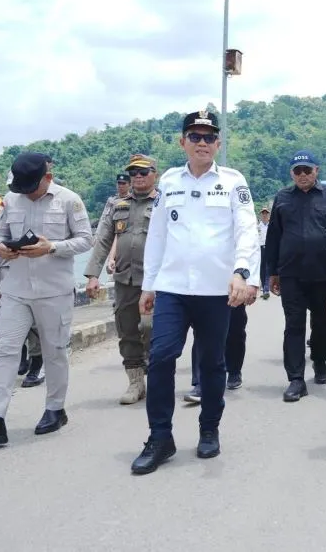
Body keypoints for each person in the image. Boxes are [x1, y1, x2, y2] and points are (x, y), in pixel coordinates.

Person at [130, 111, 260, 475]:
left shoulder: (234, 182)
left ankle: (209, 430)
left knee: (212, 362)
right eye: (195, 135)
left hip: (217, 290)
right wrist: (149, 285)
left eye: (209, 136)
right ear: (182, 142)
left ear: (218, 144)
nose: (202, 142)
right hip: (173, 287)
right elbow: (157, 236)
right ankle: (160, 437)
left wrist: (243, 273)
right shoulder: (169, 182)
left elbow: (247, 230)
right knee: (161, 357)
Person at [0, 152, 94, 446]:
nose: (25, 193)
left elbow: (87, 239)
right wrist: (0, 249)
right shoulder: (11, 199)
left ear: (48, 177)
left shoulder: (69, 200)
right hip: (16, 289)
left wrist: (52, 247)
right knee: (6, 350)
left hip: (54, 290)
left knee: (54, 351)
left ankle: (54, 409)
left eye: (31, 187)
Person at [265, 150, 326, 402]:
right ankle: (296, 379)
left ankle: (319, 360)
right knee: (294, 326)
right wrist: (272, 272)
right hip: (291, 274)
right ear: (291, 173)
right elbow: (273, 236)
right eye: (297, 171)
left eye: (307, 170)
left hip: (323, 274)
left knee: (323, 325)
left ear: (316, 171)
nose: (302, 175)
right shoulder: (283, 197)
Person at [84, 154, 159, 404]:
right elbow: (104, 239)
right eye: (133, 173)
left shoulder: (164, 203)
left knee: (150, 328)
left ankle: (155, 368)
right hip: (125, 280)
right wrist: (93, 274)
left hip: (155, 281)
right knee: (127, 331)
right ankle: (136, 382)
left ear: (154, 174)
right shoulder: (118, 205)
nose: (137, 177)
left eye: (143, 172)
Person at [258, 207, 271, 299]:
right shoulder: (257, 227)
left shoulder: (271, 226)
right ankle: (264, 287)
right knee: (261, 269)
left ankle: (266, 288)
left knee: (267, 268)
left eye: (266, 213)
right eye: (263, 213)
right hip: (260, 249)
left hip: (269, 248)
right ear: (261, 215)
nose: (264, 215)